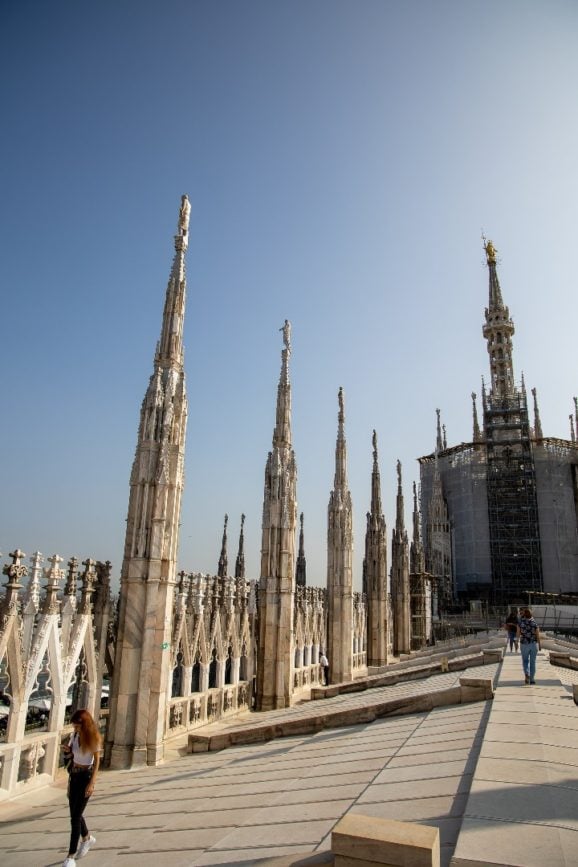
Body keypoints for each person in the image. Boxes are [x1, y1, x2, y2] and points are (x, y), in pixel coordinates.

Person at [62, 709, 101, 866]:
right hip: (74, 776)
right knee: (75, 813)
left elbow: (97, 762)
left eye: (76, 725)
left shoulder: (94, 738)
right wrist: (69, 750)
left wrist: (92, 783)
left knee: (75, 818)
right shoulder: (75, 736)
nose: (74, 728)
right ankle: (87, 838)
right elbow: (74, 755)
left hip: (85, 777)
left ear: (83, 724)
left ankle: (70, 856)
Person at [517, 607, 541, 685]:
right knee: (533, 662)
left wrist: (516, 642)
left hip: (524, 644)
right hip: (533, 644)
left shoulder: (520, 622)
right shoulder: (534, 622)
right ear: (531, 614)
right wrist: (539, 644)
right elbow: (537, 634)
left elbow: (518, 634)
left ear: (524, 614)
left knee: (525, 661)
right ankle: (532, 679)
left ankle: (527, 673)